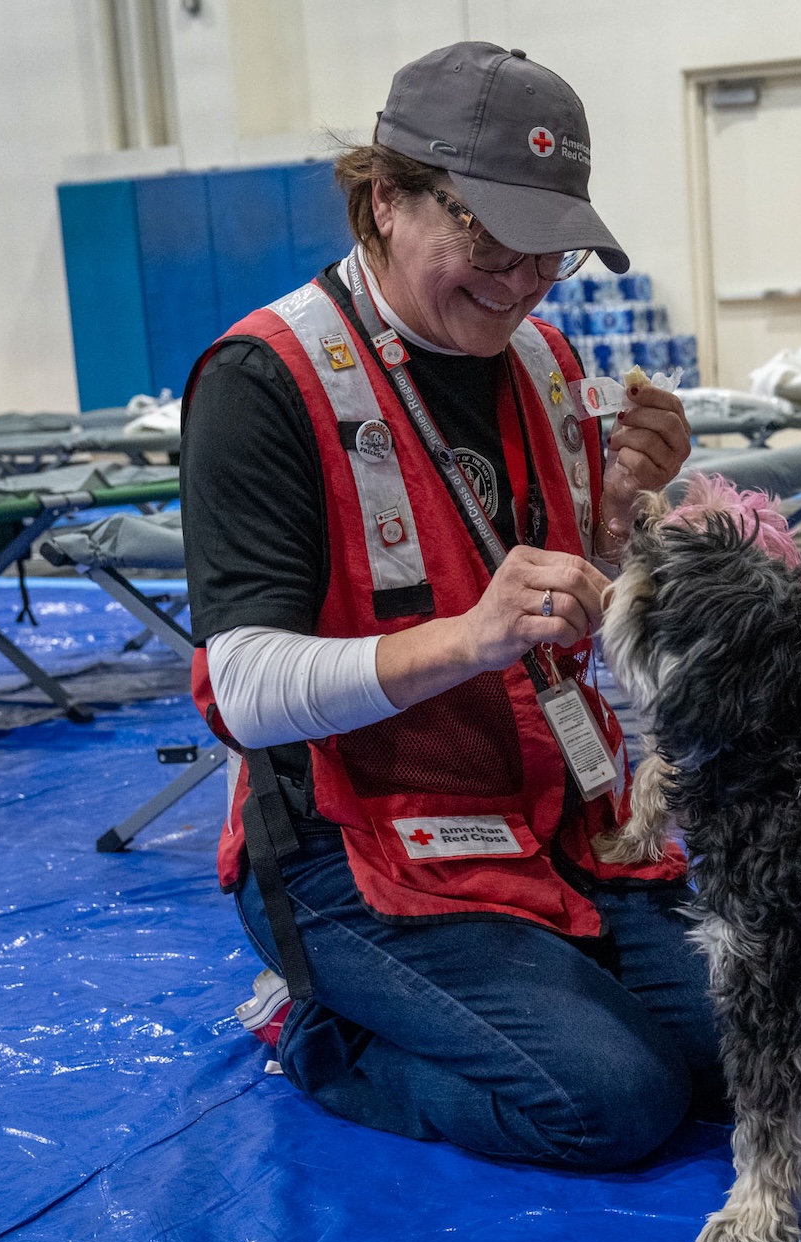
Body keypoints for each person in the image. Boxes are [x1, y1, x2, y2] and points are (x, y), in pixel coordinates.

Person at [179, 42, 717, 1171]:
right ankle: (317, 1027)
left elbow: (554, 589)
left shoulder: (550, 362)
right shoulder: (260, 383)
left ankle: (524, 979)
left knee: (754, 1051)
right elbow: (242, 690)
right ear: (385, 198)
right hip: (354, 845)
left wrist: (617, 520)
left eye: (549, 253)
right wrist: (469, 636)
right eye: (486, 238)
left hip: (552, 816)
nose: (521, 283)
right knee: (617, 1102)